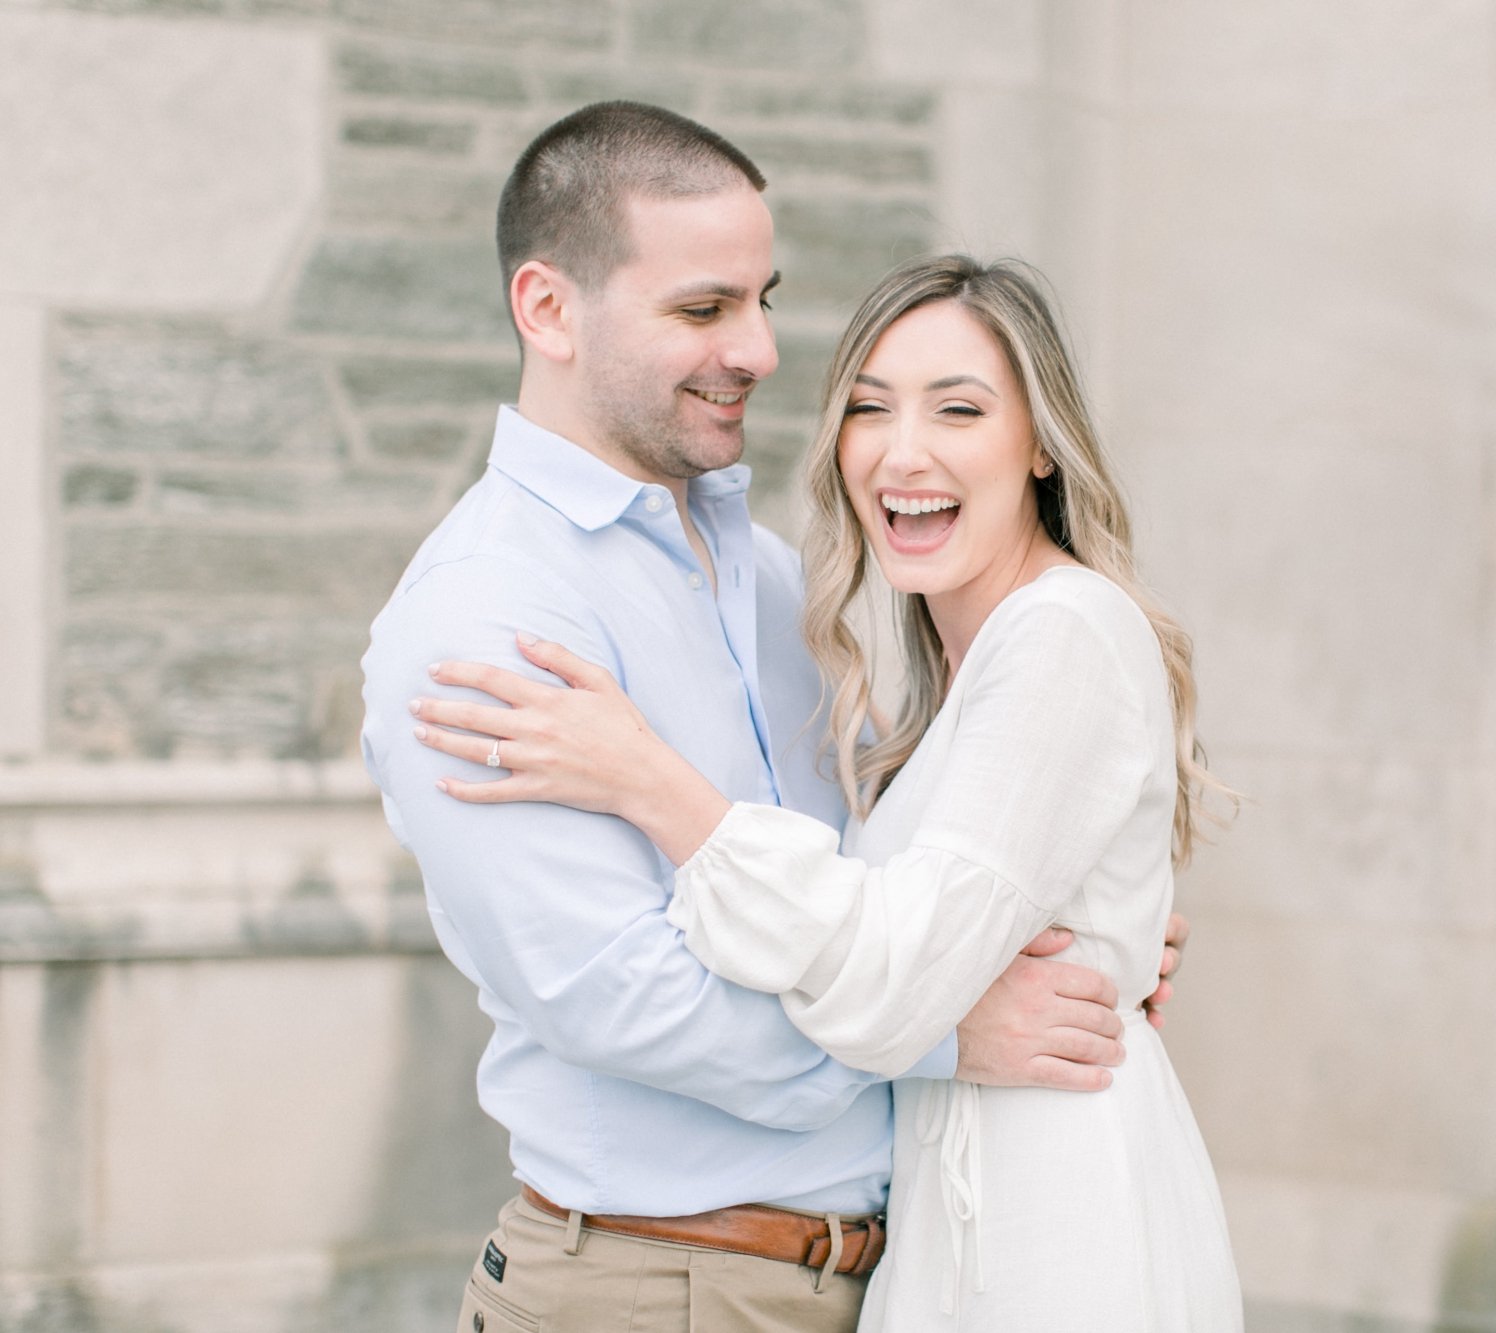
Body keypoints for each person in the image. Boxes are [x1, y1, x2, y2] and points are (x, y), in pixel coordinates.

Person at [360, 103, 1183, 1333]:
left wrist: (1061, 920)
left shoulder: (775, 578)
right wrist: (949, 1030)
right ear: (548, 310)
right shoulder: (485, 617)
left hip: (881, 1270)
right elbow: (616, 990)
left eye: (763, 299)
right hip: (658, 1285)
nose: (755, 348)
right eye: (702, 310)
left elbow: (870, 880)